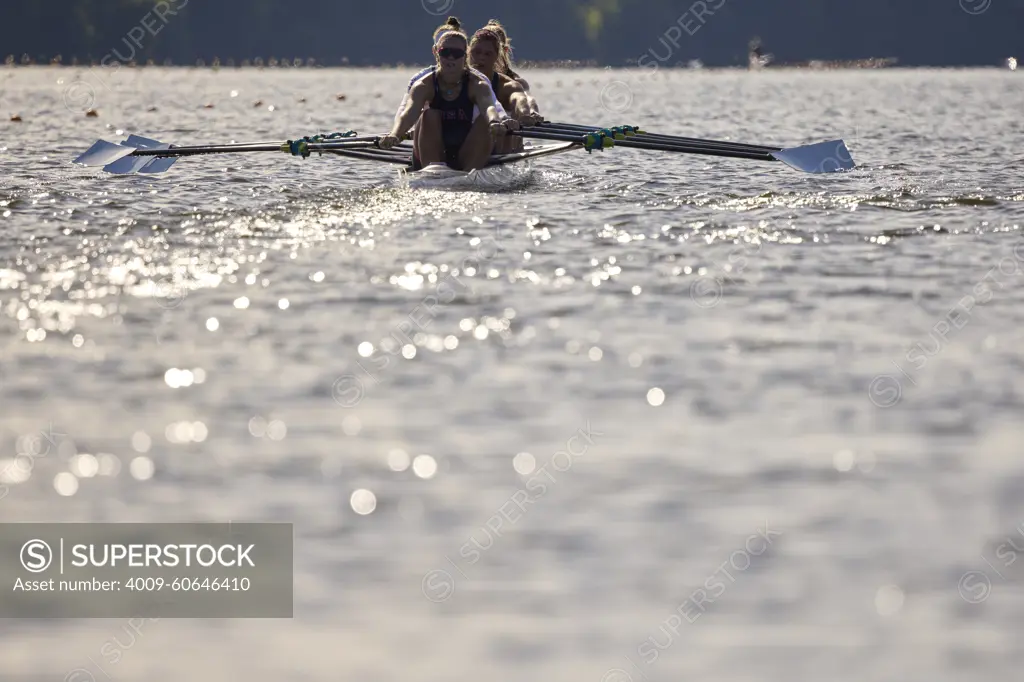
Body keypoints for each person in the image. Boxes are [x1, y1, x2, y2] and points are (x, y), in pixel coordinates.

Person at [381, 19, 516, 171]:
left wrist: (494, 122)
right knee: (428, 115)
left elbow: (489, 107)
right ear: (437, 54)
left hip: (467, 152)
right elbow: (408, 113)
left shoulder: (478, 84)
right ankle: (433, 171)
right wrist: (395, 134)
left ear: (465, 56)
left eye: (457, 53)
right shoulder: (423, 85)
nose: (451, 58)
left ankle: (468, 175)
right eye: (445, 52)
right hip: (432, 152)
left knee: (484, 122)